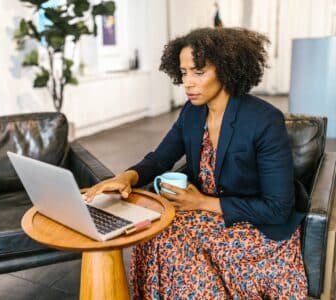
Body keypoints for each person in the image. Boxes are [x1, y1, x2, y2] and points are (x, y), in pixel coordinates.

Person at [84, 27, 307, 299]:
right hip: (207, 215)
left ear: (226, 69)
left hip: (257, 228)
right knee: (153, 234)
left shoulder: (263, 120)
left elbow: (278, 208)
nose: (187, 82)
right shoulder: (192, 112)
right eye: (184, 72)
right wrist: (126, 177)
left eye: (198, 72)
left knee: (171, 242)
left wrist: (202, 203)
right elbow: (159, 159)